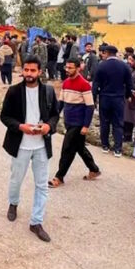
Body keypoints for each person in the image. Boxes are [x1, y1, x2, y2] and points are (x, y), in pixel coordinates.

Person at [0, 55, 59, 242]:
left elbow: (55, 115)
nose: (29, 73)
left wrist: (49, 126)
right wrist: (20, 126)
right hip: (21, 146)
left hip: (41, 146)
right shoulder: (14, 92)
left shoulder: (48, 91)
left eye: (33, 70)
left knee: (42, 185)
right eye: (26, 70)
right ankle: (13, 203)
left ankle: (36, 222)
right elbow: (4, 116)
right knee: (16, 180)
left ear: (39, 72)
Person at [49, 57, 100, 188]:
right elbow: (61, 103)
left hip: (78, 123)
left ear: (78, 68)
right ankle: (94, 169)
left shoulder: (84, 84)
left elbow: (90, 107)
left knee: (67, 149)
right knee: (79, 147)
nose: (67, 70)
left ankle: (59, 177)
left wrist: (85, 126)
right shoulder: (66, 83)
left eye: (70, 68)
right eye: (66, 67)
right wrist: (53, 117)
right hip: (68, 122)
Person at [92, 45, 133, 157]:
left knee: (104, 122)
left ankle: (105, 145)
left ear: (106, 53)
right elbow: (129, 84)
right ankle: (118, 149)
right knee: (118, 123)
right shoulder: (124, 66)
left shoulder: (101, 66)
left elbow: (95, 84)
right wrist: (128, 95)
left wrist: (94, 98)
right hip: (119, 98)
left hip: (104, 97)